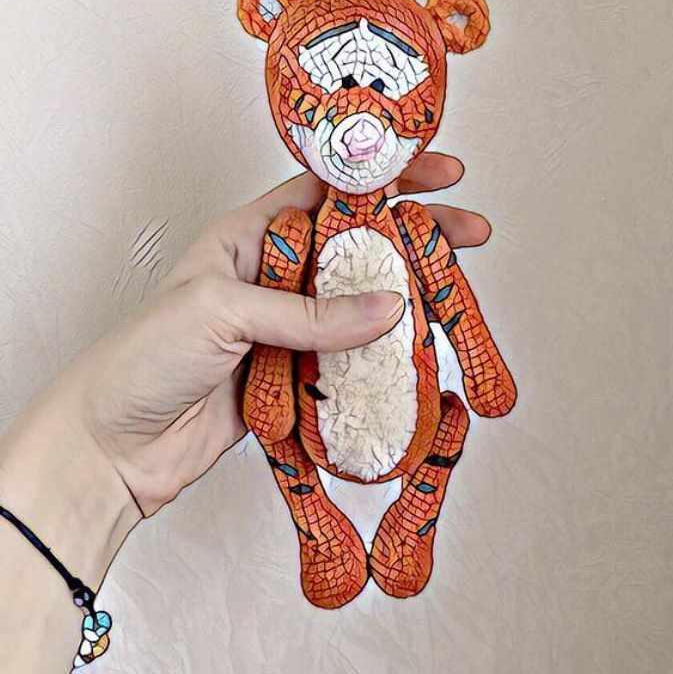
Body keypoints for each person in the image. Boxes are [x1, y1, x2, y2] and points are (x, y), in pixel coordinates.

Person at [0, 158, 491, 672]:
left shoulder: (412, 228)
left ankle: (419, 499)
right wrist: (100, 460)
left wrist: (482, 369)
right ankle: (321, 530)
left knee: (441, 422)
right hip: (314, 412)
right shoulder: (297, 233)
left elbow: (454, 302)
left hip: (407, 413)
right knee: (275, 425)